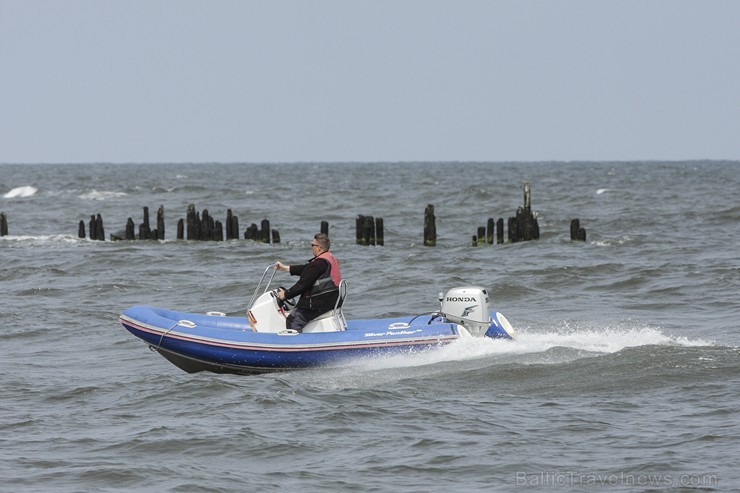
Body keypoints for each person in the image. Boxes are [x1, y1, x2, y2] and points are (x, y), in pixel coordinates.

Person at [275, 233, 342, 332]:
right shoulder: (328, 258)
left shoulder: (318, 264)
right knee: (295, 313)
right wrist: (285, 268)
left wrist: (285, 295)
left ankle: (297, 345)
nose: (311, 247)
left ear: (318, 248)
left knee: (293, 320)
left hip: (320, 303)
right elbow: (307, 269)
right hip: (333, 300)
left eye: (312, 245)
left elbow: (302, 285)